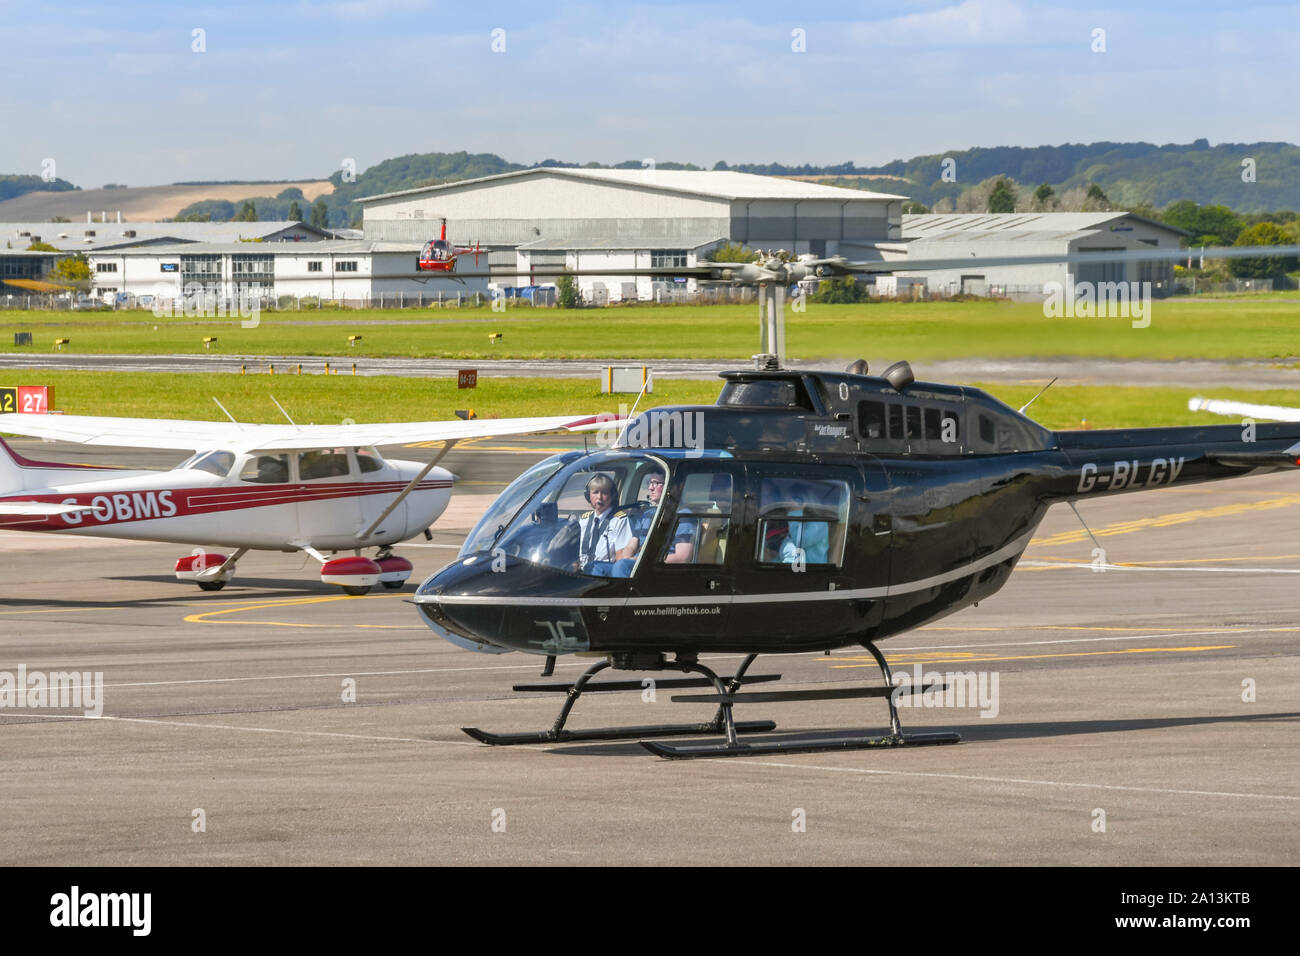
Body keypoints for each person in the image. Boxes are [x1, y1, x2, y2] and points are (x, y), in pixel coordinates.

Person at [610, 467, 693, 576]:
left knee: (622, 566)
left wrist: (641, 560)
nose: (650, 488)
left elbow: (683, 557)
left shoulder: (683, 515)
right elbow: (631, 545)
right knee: (596, 567)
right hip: (639, 565)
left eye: (656, 483)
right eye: (650, 483)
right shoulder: (647, 514)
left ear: (670, 487)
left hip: (659, 569)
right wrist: (627, 558)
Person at [574, 473, 631, 576]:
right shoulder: (583, 520)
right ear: (588, 495)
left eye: (604, 493)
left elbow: (620, 559)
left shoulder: (620, 520)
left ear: (612, 496)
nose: (599, 497)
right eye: (595, 492)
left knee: (595, 567)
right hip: (580, 572)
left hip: (603, 572)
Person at [779, 482, 830, 566]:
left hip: (812, 573)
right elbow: (788, 553)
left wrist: (795, 512)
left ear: (802, 502)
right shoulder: (797, 523)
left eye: (788, 501)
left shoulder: (819, 523)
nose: (785, 505)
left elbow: (799, 541)